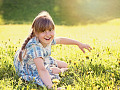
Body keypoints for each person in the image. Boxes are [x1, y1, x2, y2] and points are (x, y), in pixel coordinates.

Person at [14, 11, 92, 90]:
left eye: (50, 30)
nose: (48, 34)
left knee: (65, 64)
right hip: (29, 67)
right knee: (53, 72)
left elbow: (61, 40)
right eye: (43, 31)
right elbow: (41, 69)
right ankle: (60, 71)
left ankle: (59, 69)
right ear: (36, 33)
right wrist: (52, 88)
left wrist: (78, 43)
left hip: (40, 60)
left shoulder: (46, 39)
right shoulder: (35, 47)